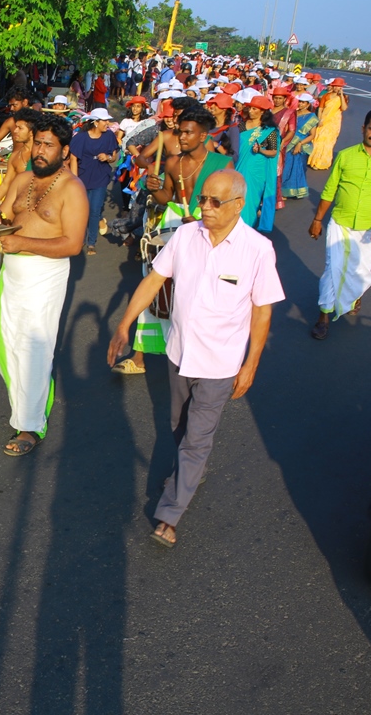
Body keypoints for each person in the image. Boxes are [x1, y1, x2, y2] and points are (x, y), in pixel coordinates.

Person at [107, 169, 284, 548]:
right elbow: (154, 280)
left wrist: (250, 364)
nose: (204, 207)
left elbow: (263, 312)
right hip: (179, 353)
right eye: (203, 198)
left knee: (197, 438)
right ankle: (193, 469)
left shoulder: (257, 249)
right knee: (178, 426)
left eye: (215, 202)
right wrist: (125, 324)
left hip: (220, 364)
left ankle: (170, 514)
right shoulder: (186, 236)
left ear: (238, 206)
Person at [0, 114, 89, 456]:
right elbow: (12, 217)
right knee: (0, 340)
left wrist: (25, 244)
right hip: (11, 273)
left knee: (33, 349)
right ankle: (26, 402)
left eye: (48, 145)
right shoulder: (24, 178)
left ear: (64, 150)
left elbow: (72, 244)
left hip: (45, 275)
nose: (40, 151)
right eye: (37, 144)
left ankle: (30, 425)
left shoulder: (72, 189)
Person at [116, 108, 232, 376]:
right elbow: (166, 198)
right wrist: (155, 189)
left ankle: (197, 355)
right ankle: (140, 356)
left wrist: (204, 223)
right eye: (180, 131)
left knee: (197, 292)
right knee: (155, 285)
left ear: (203, 136)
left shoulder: (221, 164)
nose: (180, 137)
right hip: (172, 224)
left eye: (188, 132)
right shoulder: (171, 162)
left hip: (206, 227)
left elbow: (224, 205)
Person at [309, 109, 371, 340]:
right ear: (363, 128)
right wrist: (318, 219)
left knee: (361, 270)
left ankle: (353, 294)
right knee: (333, 269)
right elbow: (330, 190)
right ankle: (324, 315)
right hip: (340, 222)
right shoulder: (346, 155)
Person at [68, 107, 120, 255]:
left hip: (100, 176)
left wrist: (108, 158)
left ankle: (91, 242)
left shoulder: (109, 136)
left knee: (95, 210)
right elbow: (73, 159)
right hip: (83, 177)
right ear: (96, 122)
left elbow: (114, 157)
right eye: (105, 121)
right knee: (81, 210)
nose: (107, 124)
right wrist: (74, 180)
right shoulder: (80, 138)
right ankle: (80, 238)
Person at [235, 95, 279, 232]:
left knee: (249, 200)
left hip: (256, 171)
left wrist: (261, 150)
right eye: (250, 108)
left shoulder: (269, 131)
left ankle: (245, 229)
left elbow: (273, 152)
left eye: (255, 109)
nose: (250, 111)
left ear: (263, 112)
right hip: (238, 166)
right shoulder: (241, 126)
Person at [0, 109, 41, 212]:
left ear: (31, 132)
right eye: (15, 127)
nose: (15, 131)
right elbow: (5, 185)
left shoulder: (42, 156)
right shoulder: (15, 156)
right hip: (19, 207)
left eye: (20, 128)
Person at [281, 93, 318, 200]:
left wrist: (300, 144)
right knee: (286, 166)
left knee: (297, 168)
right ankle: (283, 190)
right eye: (300, 102)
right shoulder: (293, 113)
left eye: (303, 102)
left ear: (307, 104)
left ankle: (294, 190)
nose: (300, 104)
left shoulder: (312, 117)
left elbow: (312, 135)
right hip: (289, 142)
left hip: (301, 145)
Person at [308, 77, 348, 170]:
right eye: (335, 86)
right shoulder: (326, 96)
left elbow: (344, 108)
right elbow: (321, 108)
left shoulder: (344, 97)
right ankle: (314, 161)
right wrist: (320, 119)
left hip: (334, 122)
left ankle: (322, 163)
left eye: (339, 87)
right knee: (319, 139)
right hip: (324, 119)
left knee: (329, 142)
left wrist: (341, 95)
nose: (337, 88)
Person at [269, 87, 296, 209]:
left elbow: (291, 131)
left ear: (285, 99)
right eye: (275, 98)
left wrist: (282, 142)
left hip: (279, 145)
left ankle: (275, 200)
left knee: (276, 171)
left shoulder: (289, 113)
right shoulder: (268, 110)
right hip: (265, 144)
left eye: (280, 98)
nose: (277, 100)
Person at [0, 87, 32, 160]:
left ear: (25, 102)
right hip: (15, 162)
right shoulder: (11, 122)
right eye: (10, 105)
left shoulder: (36, 119)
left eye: (14, 105)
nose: (11, 109)